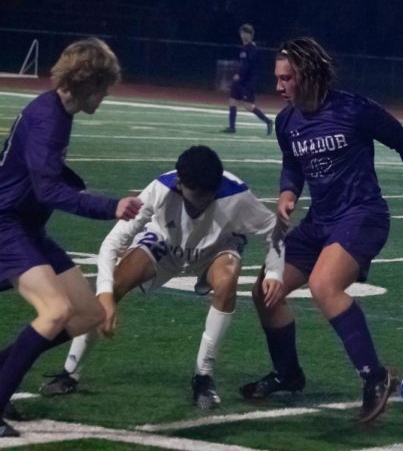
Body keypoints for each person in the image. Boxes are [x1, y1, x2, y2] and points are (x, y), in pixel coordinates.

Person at [240, 37, 403, 424]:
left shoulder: (353, 109)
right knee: (266, 290)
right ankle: (288, 373)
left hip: (362, 216)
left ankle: (375, 376)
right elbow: (292, 165)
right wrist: (286, 194)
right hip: (320, 221)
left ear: (309, 74)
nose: (278, 87)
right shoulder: (286, 121)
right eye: (277, 78)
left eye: (286, 78)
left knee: (324, 286)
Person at [0, 38, 144, 438]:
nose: (107, 95)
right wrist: (108, 206)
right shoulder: (48, 118)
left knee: (88, 313)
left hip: (25, 225)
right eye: (107, 87)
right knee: (56, 311)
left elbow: (43, 177)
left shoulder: (58, 111)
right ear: (90, 83)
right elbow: (47, 191)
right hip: (2, 223)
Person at [39, 145, 285, 410]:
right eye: (196, 197)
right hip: (165, 243)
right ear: (179, 184)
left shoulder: (236, 194)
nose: (202, 203)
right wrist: (106, 295)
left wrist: (274, 271)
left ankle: (203, 377)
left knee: (227, 280)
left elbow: (275, 228)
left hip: (216, 249)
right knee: (117, 280)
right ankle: (70, 372)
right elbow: (112, 243)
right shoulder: (159, 190)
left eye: (209, 196)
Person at [222, 23, 274, 135]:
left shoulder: (252, 49)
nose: (242, 35)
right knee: (232, 101)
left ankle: (268, 121)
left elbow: (249, 66)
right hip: (239, 81)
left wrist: (240, 75)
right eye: (241, 33)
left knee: (249, 106)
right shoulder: (243, 48)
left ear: (250, 35)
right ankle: (232, 127)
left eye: (245, 33)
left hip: (247, 82)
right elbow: (242, 64)